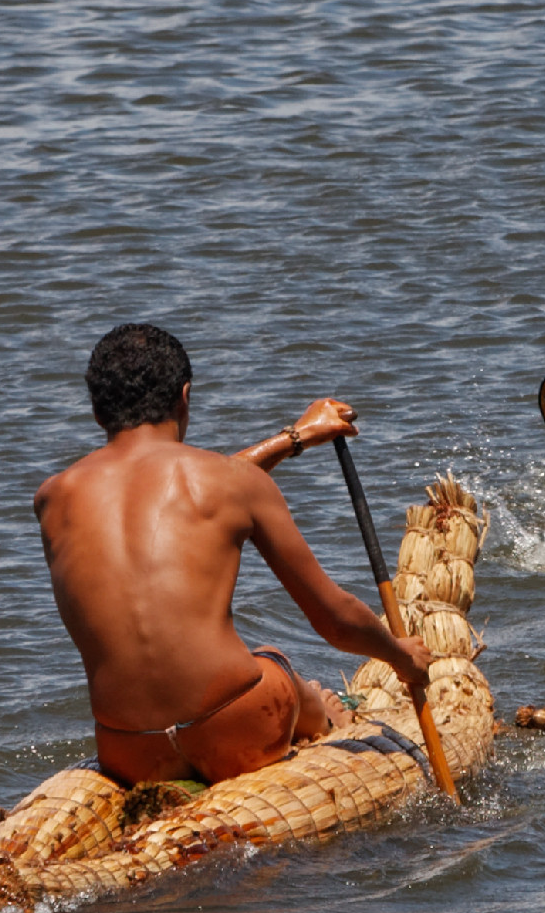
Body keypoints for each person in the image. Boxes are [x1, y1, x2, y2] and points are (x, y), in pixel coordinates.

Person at [36, 323, 432, 787]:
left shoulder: (53, 499)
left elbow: (165, 497)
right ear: (184, 397)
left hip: (129, 749)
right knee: (271, 659)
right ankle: (327, 719)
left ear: (97, 413)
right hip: (234, 727)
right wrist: (401, 657)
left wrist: (295, 438)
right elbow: (335, 620)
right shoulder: (230, 484)